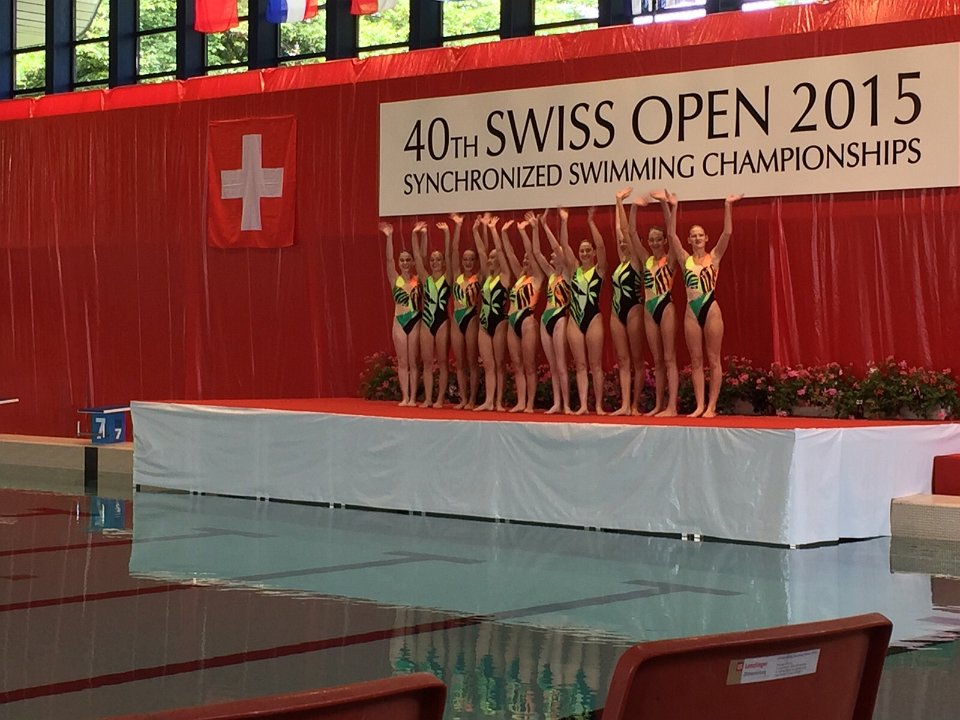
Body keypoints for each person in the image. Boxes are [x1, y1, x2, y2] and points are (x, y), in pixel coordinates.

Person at [660, 191, 743, 418]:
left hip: (710, 309)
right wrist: (674, 207)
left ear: (706, 238)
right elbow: (671, 234)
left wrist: (727, 205)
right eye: (693, 236)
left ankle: (711, 406)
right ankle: (699, 405)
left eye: (700, 235)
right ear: (689, 240)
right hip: (691, 311)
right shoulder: (684, 259)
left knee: (713, 359)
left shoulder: (714, 257)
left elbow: (727, 233)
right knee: (696, 360)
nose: (697, 239)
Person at [618, 190, 679, 416]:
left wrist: (665, 204)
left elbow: (672, 232)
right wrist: (633, 207)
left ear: (663, 241)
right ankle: (658, 404)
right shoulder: (646, 259)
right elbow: (631, 233)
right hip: (649, 309)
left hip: (665, 307)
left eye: (657, 239)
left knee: (669, 358)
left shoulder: (670, 259)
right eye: (651, 239)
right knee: (657, 360)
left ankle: (672, 406)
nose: (654, 242)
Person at [556, 207, 607, 415]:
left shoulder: (599, 270)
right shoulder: (574, 270)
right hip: (575, 320)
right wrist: (564, 222)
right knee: (580, 365)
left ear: (593, 253)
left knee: (595, 365)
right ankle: (584, 404)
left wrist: (591, 222)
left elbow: (602, 246)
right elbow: (564, 245)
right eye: (582, 251)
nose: (584, 253)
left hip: (593, 318)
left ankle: (598, 405)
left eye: (588, 250)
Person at [501, 216, 544, 413]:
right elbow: (510, 255)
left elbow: (532, 252)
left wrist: (525, 232)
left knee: (529, 364)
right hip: (512, 322)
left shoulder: (538, 277)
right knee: (517, 364)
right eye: (524, 259)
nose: (526, 261)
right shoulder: (520, 276)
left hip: (527, 321)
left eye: (529, 259)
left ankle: (530, 403)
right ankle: (520, 401)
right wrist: (503, 233)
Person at [531, 210, 572, 415]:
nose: (552, 254)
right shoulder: (550, 274)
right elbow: (537, 253)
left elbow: (557, 247)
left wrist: (547, 226)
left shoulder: (569, 274)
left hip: (560, 317)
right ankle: (556, 402)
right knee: (553, 365)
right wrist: (535, 227)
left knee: (561, 364)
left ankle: (567, 404)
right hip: (545, 318)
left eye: (556, 254)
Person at [609, 189, 645, 415]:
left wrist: (622, 204)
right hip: (616, 312)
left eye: (626, 241)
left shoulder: (637, 260)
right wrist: (617, 201)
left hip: (634, 309)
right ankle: (624, 404)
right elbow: (618, 231)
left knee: (637, 360)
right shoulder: (621, 262)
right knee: (623, 360)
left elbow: (624, 230)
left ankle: (635, 405)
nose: (622, 243)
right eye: (620, 243)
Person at [378, 221, 421, 407]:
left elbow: (422, 256)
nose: (404, 263)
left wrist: (418, 235)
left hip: (415, 319)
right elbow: (389, 260)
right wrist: (389, 237)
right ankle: (405, 396)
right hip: (399, 320)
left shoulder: (418, 279)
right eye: (402, 260)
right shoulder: (394, 278)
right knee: (403, 361)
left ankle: (413, 397)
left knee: (413, 361)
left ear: (412, 262)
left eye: (407, 260)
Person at [411, 221, 452, 408]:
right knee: (427, 362)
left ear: (443, 262)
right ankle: (428, 398)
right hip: (427, 322)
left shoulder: (448, 278)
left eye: (438, 259)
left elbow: (451, 255)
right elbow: (417, 257)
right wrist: (415, 234)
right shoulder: (425, 279)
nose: (435, 262)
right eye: (433, 260)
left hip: (442, 321)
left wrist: (446, 233)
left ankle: (440, 398)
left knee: (442, 362)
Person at [474, 215, 511, 412]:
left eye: (493, 257)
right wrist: (475, 230)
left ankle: (498, 401)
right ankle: (489, 400)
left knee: (498, 363)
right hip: (483, 323)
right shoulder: (487, 277)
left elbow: (502, 252)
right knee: (488, 365)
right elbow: (481, 251)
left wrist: (493, 229)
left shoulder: (505, 276)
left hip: (499, 322)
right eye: (489, 257)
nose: (489, 260)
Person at [448, 213, 481, 409]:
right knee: (460, 362)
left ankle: (473, 398)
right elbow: (453, 251)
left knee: (472, 361)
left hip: (471, 318)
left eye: (471, 259)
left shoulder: (479, 277)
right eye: (465, 259)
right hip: (456, 319)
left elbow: (484, 253)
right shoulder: (456, 275)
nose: (468, 262)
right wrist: (458, 227)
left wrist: (479, 231)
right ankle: (463, 398)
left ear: (475, 261)